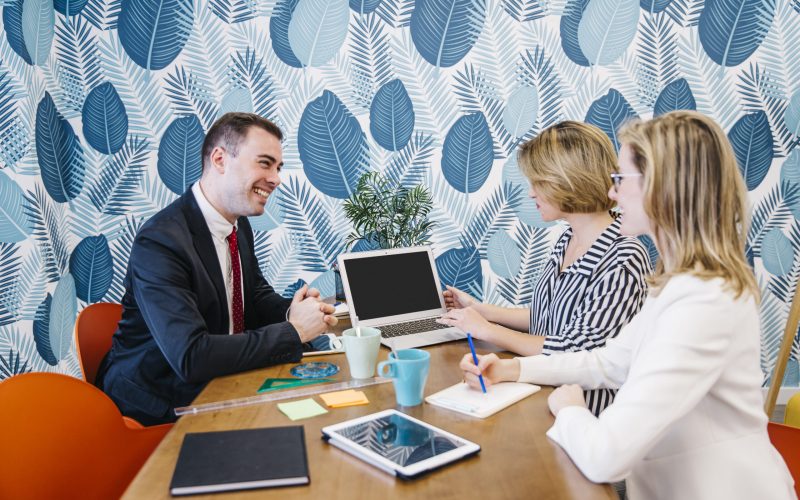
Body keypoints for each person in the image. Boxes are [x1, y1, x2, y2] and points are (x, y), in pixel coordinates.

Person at [460, 111, 796, 499]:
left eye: (620, 179)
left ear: (662, 187)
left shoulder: (705, 302)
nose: (612, 192)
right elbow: (609, 361)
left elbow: (606, 456)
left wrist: (571, 408)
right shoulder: (676, 284)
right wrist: (510, 368)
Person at [96, 113, 336, 426]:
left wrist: (295, 311)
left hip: (221, 382)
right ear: (220, 159)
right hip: (160, 403)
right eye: (264, 163)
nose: (276, 178)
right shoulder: (160, 241)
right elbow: (191, 356)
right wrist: (294, 331)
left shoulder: (239, 224)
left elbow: (253, 296)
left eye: (278, 167)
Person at [439, 121, 651, 415]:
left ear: (566, 179)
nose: (530, 194)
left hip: (583, 412)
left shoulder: (623, 258)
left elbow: (575, 352)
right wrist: (482, 309)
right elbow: (552, 317)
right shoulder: (569, 238)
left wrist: (488, 330)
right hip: (537, 390)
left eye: (538, 182)